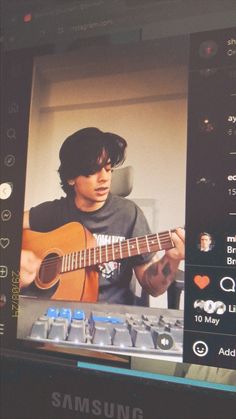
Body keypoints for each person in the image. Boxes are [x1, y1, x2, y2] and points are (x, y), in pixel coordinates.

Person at [20, 127, 185, 304]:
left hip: (111, 316)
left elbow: (153, 287)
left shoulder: (129, 214)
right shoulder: (54, 211)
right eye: (93, 171)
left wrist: (172, 259)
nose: (104, 178)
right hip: (55, 312)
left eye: (108, 169)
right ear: (71, 178)